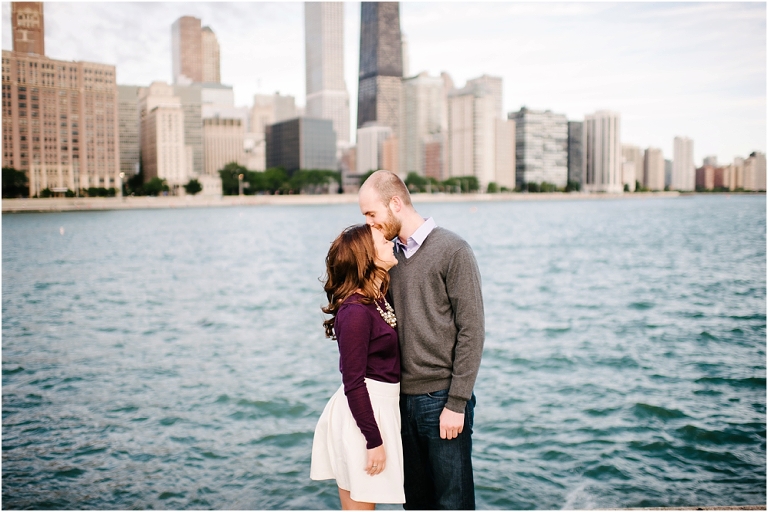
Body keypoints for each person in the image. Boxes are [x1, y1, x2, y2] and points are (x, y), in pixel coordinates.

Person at [358, 170, 485, 510]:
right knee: (414, 503)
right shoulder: (386, 257)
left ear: (395, 203)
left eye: (372, 215)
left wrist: (457, 402)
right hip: (399, 402)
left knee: (453, 503)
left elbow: (472, 331)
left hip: (442, 399)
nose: (369, 225)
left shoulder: (453, 249)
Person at [310, 223, 405, 509]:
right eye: (382, 241)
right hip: (362, 420)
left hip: (380, 410)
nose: (390, 241)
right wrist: (373, 440)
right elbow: (353, 383)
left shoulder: (377, 298)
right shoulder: (355, 312)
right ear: (368, 257)